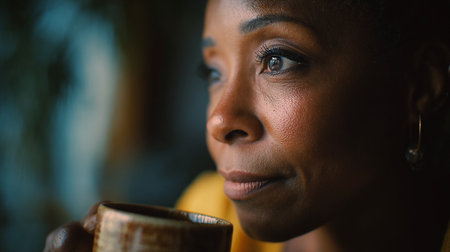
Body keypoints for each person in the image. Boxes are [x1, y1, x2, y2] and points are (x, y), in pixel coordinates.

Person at [44, 0, 450, 251]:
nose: (219, 120)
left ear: (418, 86)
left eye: (277, 61)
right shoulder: (208, 213)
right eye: (213, 72)